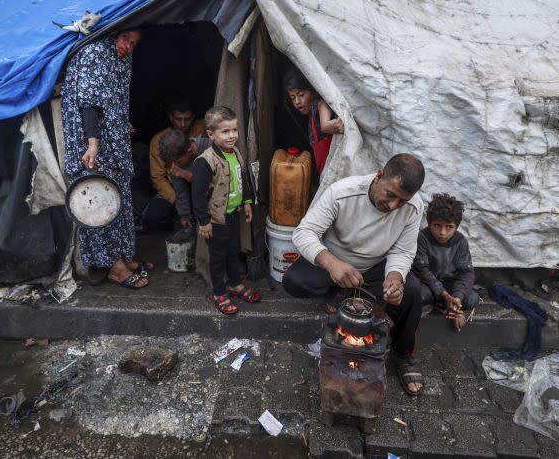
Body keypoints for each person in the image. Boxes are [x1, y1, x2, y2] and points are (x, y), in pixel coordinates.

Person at [284, 153, 427, 396]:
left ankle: (403, 355)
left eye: (401, 201)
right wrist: (331, 263)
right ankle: (344, 290)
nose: (393, 206)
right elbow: (304, 233)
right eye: (390, 195)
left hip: (374, 267)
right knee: (294, 281)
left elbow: (403, 250)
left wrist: (395, 276)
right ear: (379, 175)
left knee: (412, 293)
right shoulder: (342, 192)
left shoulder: (414, 207)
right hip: (335, 261)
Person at [60, 29, 150, 289]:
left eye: (134, 44)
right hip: (92, 143)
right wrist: (92, 144)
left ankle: (123, 255)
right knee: (98, 198)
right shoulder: (95, 53)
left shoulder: (119, 58)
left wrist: (121, 121)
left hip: (110, 140)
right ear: (115, 34)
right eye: (126, 40)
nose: (128, 48)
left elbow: (110, 100)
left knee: (118, 194)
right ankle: (114, 267)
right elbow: (88, 103)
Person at [191, 106, 261, 316]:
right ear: (211, 134)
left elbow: (244, 180)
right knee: (218, 256)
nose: (232, 136)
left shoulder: (236, 153)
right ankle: (219, 292)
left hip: (231, 215)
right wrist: (203, 222)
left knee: (233, 251)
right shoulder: (205, 161)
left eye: (234, 130)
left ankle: (235, 284)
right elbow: (197, 195)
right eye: (225, 131)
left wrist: (247, 201)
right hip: (215, 221)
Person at [410, 194, 477, 331]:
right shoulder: (422, 238)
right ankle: (443, 303)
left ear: (456, 227)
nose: (442, 232)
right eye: (437, 225)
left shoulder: (460, 241)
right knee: (420, 294)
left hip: (449, 284)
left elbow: (466, 273)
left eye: (449, 227)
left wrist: (457, 298)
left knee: (471, 299)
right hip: (428, 283)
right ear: (429, 224)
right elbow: (423, 270)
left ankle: (450, 306)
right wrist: (445, 295)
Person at [146, 102, 206, 230]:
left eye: (187, 119)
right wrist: (180, 206)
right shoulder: (159, 140)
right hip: (174, 188)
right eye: (179, 119)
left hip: (202, 184)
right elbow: (158, 178)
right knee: (154, 217)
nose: (183, 124)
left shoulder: (203, 130)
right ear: (171, 118)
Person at [283, 68, 343, 174]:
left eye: (301, 95)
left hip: (334, 170)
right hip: (324, 171)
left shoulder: (320, 104)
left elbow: (325, 124)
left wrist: (335, 124)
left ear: (312, 91)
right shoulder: (311, 112)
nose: (297, 101)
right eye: (292, 98)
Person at [157, 129, 211, 229]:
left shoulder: (208, 146)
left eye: (178, 162)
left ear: (189, 150)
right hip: (200, 208)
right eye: (170, 163)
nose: (174, 167)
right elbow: (181, 192)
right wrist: (184, 215)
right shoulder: (175, 165)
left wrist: (190, 176)